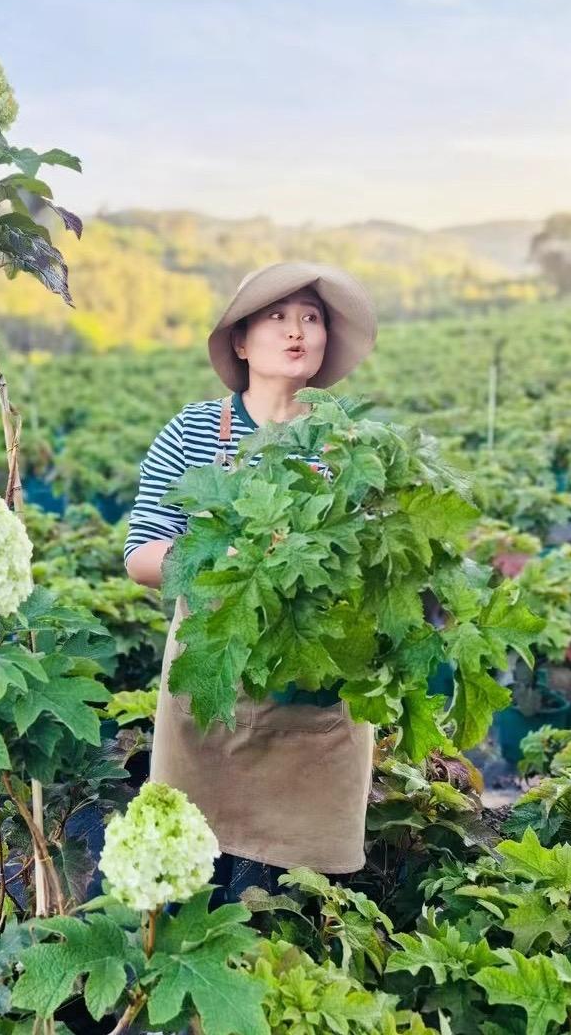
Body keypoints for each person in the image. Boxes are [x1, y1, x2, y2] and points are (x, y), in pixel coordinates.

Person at [124, 261, 379, 908]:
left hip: (311, 692)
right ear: (240, 341)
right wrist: (222, 556)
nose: (297, 331)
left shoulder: (347, 443)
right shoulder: (192, 432)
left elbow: (373, 560)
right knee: (195, 888)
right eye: (278, 316)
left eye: (312, 317)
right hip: (215, 674)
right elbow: (141, 552)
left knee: (291, 904)